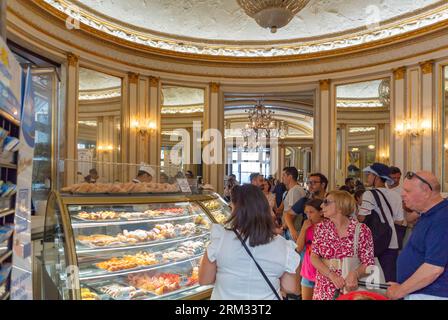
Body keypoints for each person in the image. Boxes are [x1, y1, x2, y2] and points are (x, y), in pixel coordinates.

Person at [198, 184, 301, 300]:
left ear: (237, 210)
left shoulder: (220, 239)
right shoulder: (283, 246)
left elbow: (204, 279)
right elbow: (291, 287)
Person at [387, 171, 448, 300]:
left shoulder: (442, 218)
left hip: (433, 295)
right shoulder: (428, 215)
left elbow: (434, 268)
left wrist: (400, 290)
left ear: (426, 191)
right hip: (420, 292)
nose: (402, 194)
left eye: (408, 191)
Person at [310, 190, 375, 300]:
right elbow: (314, 257)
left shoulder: (361, 230)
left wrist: (355, 274)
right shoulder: (321, 228)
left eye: (326, 202)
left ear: (340, 206)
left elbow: (368, 262)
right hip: (324, 286)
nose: (321, 205)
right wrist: (331, 275)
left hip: (351, 288)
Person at [357, 163, 404, 282]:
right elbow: (399, 220)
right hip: (392, 241)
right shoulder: (396, 195)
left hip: (374, 241)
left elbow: (362, 218)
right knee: (389, 279)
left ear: (376, 176)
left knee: (373, 281)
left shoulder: (369, 194)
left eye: (369, 175)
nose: (367, 177)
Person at [296, 199, 324, 300]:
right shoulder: (307, 226)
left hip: (323, 273)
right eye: (306, 212)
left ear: (321, 212)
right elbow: (298, 248)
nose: (308, 215)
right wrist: (303, 229)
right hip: (308, 272)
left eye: (311, 212)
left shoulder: (328, 227)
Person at [286, 173, 328, 241]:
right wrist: (292, 230)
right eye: (309, 183)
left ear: (323, 185)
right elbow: (288, 215)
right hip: (307, 235)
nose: (310, 185)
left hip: (326, 235)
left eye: (314, 183)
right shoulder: (305, 200)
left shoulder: (330, 201)